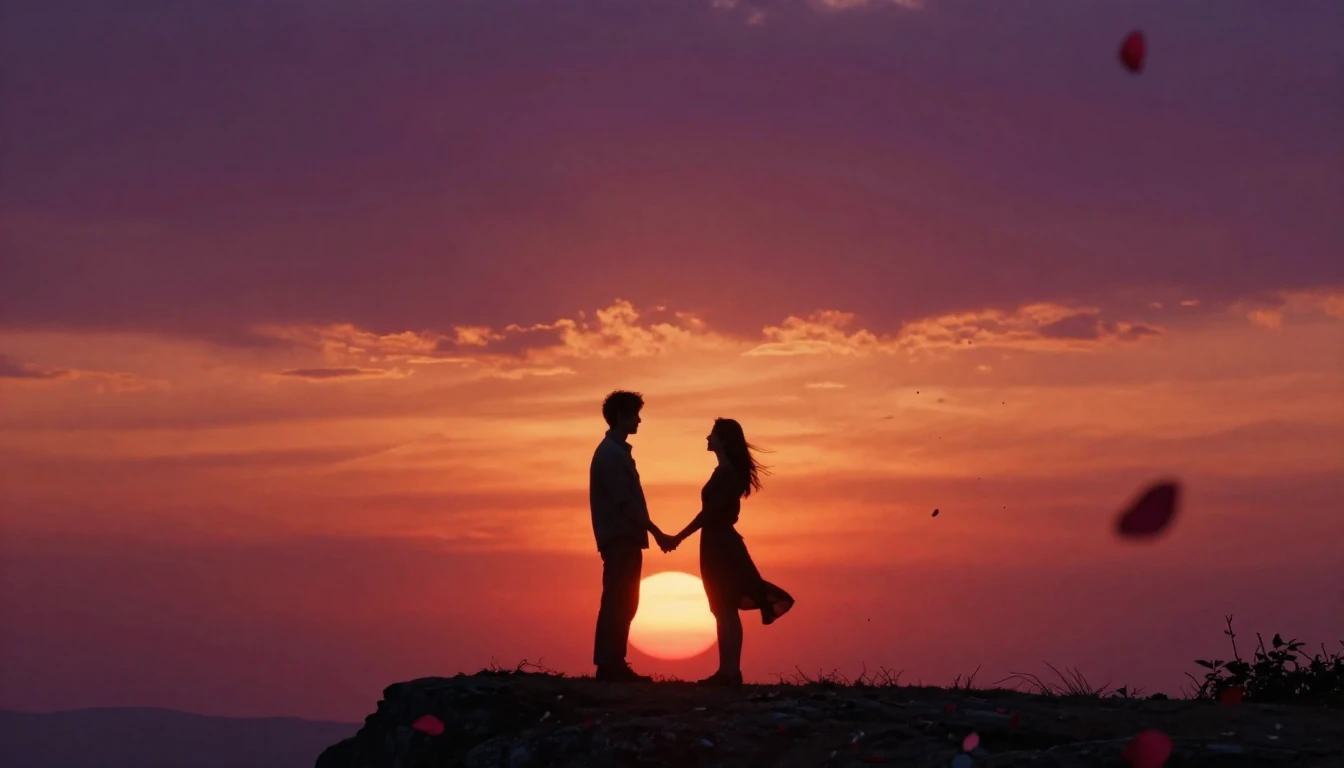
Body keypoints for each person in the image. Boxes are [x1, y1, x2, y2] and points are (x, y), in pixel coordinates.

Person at [667, 418, 795, 687]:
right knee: (720, 607)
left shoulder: (729, 475)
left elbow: (710, 514)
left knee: (725, 606)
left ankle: (730, 671)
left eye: (711, 434)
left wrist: (678, 536)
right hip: (714, 543)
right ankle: (726, 671)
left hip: (722, 544)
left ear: (722, 440)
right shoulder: (722, 472)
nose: (707, 438)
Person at [589, 390, 677, 682]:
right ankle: (610, 664)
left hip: (623, 537)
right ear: (621, 417)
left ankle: (612, 662)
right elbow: (625, 503)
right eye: (634, 415)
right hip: (620, 537)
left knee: (624, 599)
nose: (639, 420)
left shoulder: (615, 452)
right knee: (619, 599)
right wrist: (657, 531)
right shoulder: (611, 455)